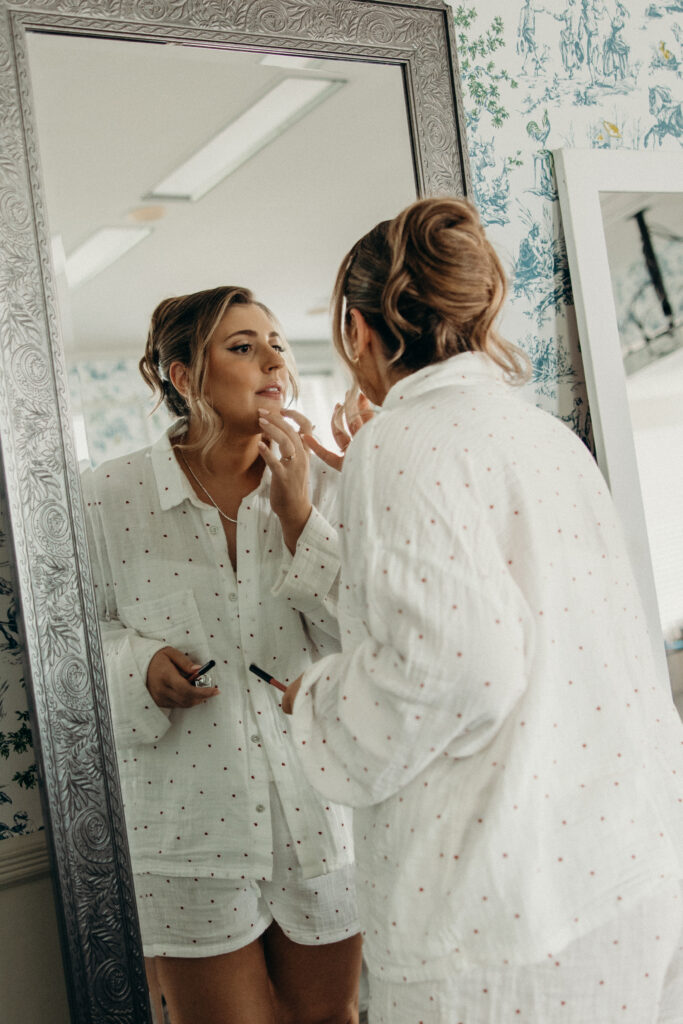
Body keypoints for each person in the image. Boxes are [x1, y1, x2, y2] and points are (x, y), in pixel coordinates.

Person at [283, 198, 683, 1022]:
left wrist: (316, 703)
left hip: (502, 916)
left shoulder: (400, 443)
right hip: (628, 869)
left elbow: (455, 666)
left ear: (358, 331)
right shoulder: (541, 437)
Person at [81, 286, 363, 1024]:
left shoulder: (331, 487)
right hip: (186, 829)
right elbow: (72, 644)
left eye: (277, 343)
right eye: (243, 346)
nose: (273, 359)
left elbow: (364, 642)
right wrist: (138, 665)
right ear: (184, 376)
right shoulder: (108, 496)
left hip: (319, 815)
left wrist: (299, 517)